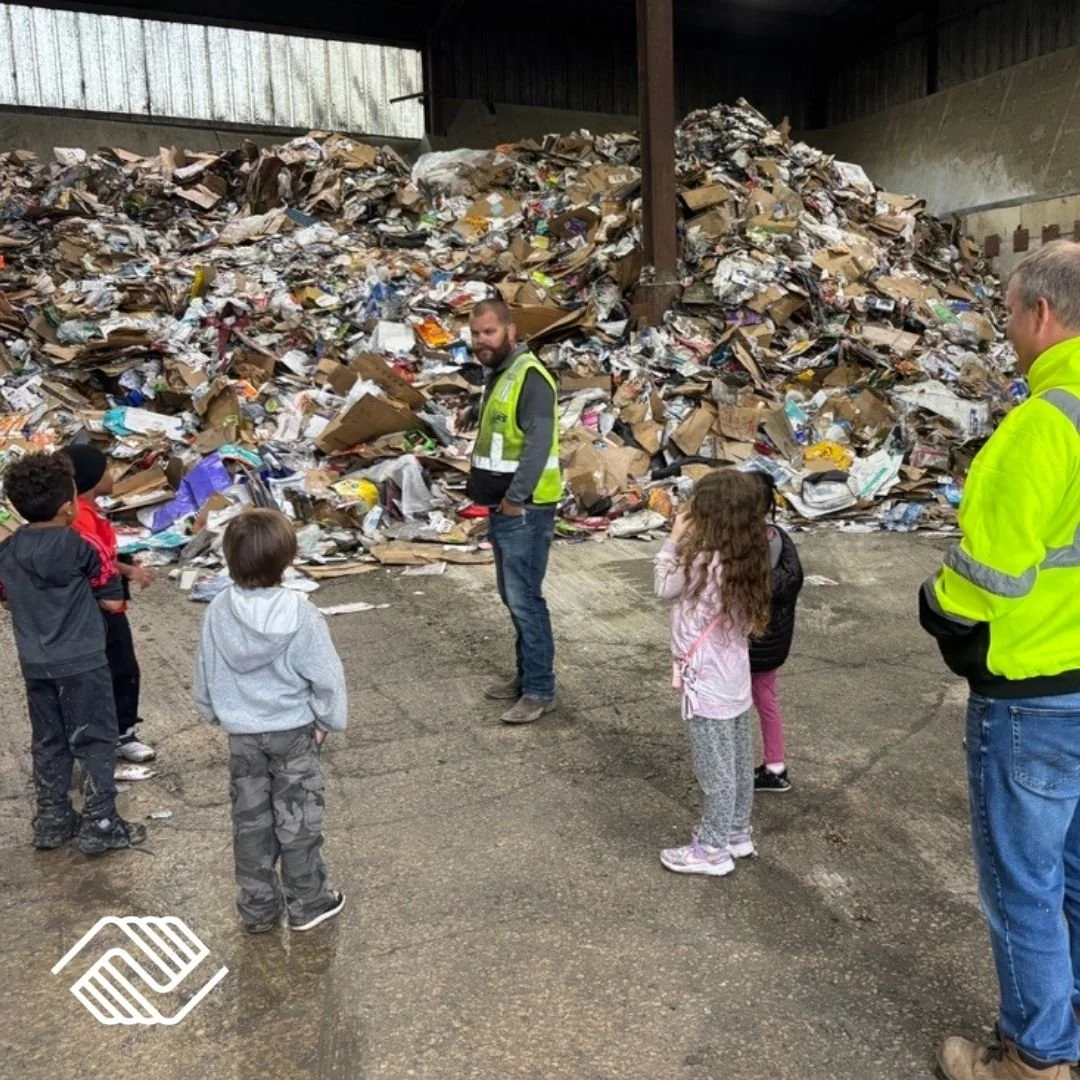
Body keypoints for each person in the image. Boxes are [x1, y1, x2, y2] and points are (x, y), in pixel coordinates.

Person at [921, 240, 1080, 1080]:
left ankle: (1035, 1059)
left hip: (1035, 692)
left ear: (1042, 316)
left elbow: (986, 579)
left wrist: (937, 613)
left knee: (1024, 883)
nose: (1008, 328)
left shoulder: (1041, 426)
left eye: (1011, 312)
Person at [194, 508, 348, 934]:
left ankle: (259, 908)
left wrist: (212, 710)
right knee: (298, 819)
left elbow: (205, 669)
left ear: (229, 558)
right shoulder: (301, 614)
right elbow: (326, 676)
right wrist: (327, 720)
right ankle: (309, 901)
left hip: (243, 737)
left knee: (251, 823)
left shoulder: (218, 612)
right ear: (288, 558)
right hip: (294, 733)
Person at [0, 452, 146, 855]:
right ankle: (101, 824)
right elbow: (112, 604)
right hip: (84, 660)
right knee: (96, 739)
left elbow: (7, 599)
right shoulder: (84, 547)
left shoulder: (7, 551)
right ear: (69, 504)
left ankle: (52, 820)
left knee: (48, 741)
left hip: (36, 663)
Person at [654, 469, 772, 877]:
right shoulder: (747, 557)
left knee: (714, 768)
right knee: (739, 761)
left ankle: (711, 849)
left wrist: (672, 541)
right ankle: (738, 832)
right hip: (734, 676)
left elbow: (663, 588)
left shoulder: (703, 560)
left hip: (705, 680)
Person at [467, 298, 561, 725]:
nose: (480, 341)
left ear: (511, 330)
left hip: (525, 510)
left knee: (525, 599)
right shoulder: (500, 375)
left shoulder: (530, 377)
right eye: (474, 334)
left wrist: (514, 499)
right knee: (513, 596)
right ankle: (526, 677)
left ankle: (540, 689)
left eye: (488, 332)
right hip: (504, 508)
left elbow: (538, 446)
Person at [65, 443, 157, 779]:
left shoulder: (92, 513)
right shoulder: (78, 519)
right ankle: (104, 742)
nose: (112, 473)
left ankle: (123, 733)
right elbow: (91, 562)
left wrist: (130, 571)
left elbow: (103, 557)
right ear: (91, 478)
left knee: (124, 669)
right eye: (106, 468)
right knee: (107, 674)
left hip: (112, 609)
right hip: (97, 611)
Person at [747, 470, 804, 793]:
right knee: (766, 700)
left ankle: (736, 767)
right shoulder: (779, 537)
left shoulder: (738, 543)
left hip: (749, 641)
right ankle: (775, 764)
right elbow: (793, 580)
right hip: (775, 641)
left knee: (734, 704)